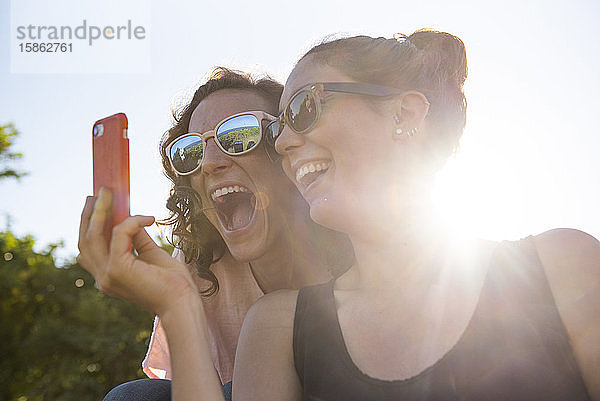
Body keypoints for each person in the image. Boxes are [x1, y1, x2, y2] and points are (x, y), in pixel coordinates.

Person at [246, 30, 599, 400]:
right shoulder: (280, 330)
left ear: (405, 113)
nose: (284, 143)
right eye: (277, 128)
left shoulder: (564, 267)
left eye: (304, 108)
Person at [78, 67, 352, 401]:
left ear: (285, 146)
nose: (209, 162)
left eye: (240, 136)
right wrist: (175, 304)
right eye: (190, 151)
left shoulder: (349, 235)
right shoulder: (199, 263)